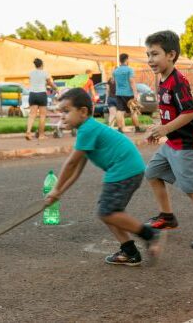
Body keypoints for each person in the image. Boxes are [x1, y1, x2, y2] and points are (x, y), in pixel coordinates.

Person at [44, 87, 164, 266]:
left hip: (124, 170)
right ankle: (130, 252)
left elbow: (71, 164)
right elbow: (77, 170)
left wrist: (54, 190)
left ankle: (149, 234)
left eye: (66, 111)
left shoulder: (87, 130)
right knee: (108, 211)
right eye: (61, 112)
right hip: (127, 169)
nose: (63, 116)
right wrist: (59, 192)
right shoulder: (88, 128)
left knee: (107, 212)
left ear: (83, 112)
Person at [144, 30, 193, 249]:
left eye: (155, 54)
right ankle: (167, 217)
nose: (150, 60)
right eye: (148, 54)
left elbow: (189, 112)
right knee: (152, 172)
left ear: (170, 54)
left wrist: (166, 128)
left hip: (189, 144)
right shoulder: (161, 78)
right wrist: (158, 130)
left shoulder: (178, 81)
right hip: (173, 142)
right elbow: (170, 110)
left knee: (192, 188)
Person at [26, 58, 58, 140]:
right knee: (42, 116)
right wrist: (56, 88)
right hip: (41, 94)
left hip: (32, 94)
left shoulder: (31, 73)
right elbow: (50, 83)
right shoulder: (45, 73)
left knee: (32, 115)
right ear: (42, 64)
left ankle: (28, 132)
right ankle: (41, 135)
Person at [113, 54, 145, 133]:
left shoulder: (115, 71)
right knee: (133, 112)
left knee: (119, 111)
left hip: (119, 93)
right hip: (129, 94)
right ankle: (137, 129)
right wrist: (135, 93)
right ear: (127, 59)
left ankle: (120, 129)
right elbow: (132, 81)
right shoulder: (129, 70)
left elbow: (115, 82)